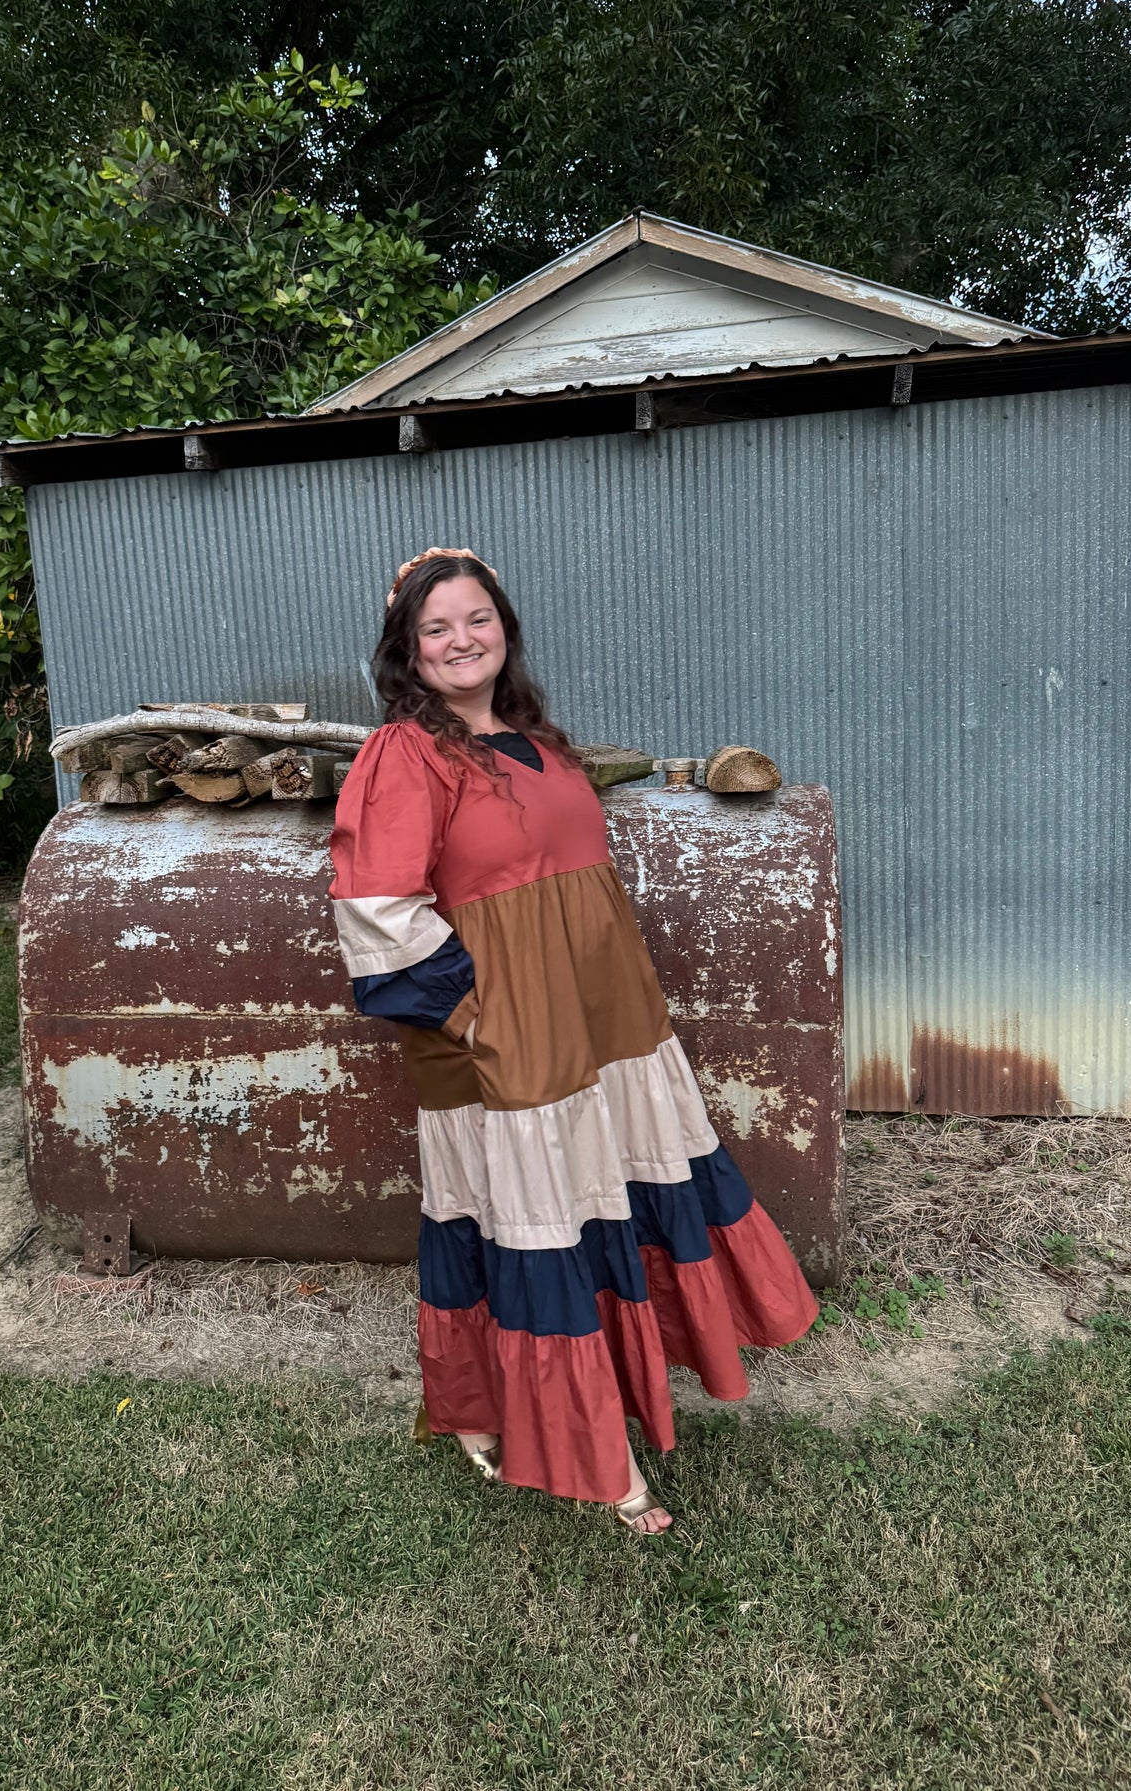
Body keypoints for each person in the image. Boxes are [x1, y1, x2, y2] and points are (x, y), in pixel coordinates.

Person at [327, 547, 819, 1534]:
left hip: (600, 1032)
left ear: (502, 627)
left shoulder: (533, 742)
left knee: (598, 1216)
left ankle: (598, 1406)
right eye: (436, 628)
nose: (460, 640)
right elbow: (376, 906)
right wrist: (477, 1016)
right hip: (505, 1043)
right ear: (406, 650)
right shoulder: (404, 754)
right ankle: (577, 1450)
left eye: (475, 619)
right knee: (531, 1229)